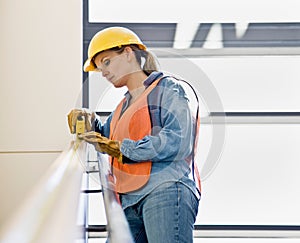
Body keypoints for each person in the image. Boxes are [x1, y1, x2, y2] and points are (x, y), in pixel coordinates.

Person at [68, 26, 201, 243]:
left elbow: (178, 140)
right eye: (100, 68)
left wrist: (123, 150)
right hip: (130, 202)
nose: (104, 73)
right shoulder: (122, 107)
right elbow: (108, 138)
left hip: (165, 190)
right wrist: (89, 121)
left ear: (129, 53)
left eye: (107, 62)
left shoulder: (168, 88)